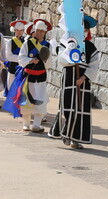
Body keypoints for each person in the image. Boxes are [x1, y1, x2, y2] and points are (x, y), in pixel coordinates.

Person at [49, 15, 100, 149]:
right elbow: (61, 60)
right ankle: (65, 132)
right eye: (82, 28)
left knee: (80, 108)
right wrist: (70, 51)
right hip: (68, 78)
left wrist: (83, 78)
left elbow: (94, 65)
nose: (84, 31)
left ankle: (75, 138)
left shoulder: (90, 47)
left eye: (86, 29)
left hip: (82, 82)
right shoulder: (67, 43)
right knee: (67, 105)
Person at [18, 19, 52, 133]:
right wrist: (31, 60)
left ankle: (36, 125)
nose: (39, 33)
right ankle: (26, 124)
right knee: (26, 100)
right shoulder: (27, 43)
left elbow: (49, 64)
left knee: (40, 100)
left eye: (42, 31)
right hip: (28, 77)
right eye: (37, 30)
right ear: (34, 30)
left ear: (45, 32)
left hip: (41, 77)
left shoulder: (48, 45)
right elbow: (21, 58)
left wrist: (45, 59)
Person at [5, 20, 27, 91]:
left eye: (21, 30)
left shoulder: (26, 42)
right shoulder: (10, 42)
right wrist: (21, 59)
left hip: (23, 68)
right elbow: (8, 56)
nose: (19, 32)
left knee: (21, 90)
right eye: (17, 30)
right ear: (14, 30)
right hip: (12, 67)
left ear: (23, 31)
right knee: (11, 88)